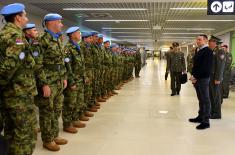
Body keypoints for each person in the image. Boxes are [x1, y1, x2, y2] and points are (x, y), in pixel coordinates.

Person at [0, 3, 38, 154]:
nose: (27, 18)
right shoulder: (16, 36)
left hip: (10, 93)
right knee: (25, 133)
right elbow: (8, 67)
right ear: (18, 18)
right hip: (19, 93)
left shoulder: (4, 33)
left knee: (10, 131)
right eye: (25, 15)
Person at [37, 13, 68, 151]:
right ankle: (47, 139)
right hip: (48, 81)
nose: (61, 25)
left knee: (56, 110)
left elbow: (62, 61)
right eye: (59, 22)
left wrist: (65, 77)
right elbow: (37, 64)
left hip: (59, 80)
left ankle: (54, 135)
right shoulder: (42, 40)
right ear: (52, 23)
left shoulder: (59, 39)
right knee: (47, 112)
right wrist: (44, 84)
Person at [62, 26, 86, 134]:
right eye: (78, 32)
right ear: (72, 35)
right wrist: (71, 82)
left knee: (78, 101)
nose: (80, 34)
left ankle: (75, 119)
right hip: (73, 80)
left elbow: (81, 65)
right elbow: (67, 67)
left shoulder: (77, 47)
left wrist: (84, 77)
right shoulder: (68, 48)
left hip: (79, 79)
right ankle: (67, 124)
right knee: (69, 103)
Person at [189, 34, 213, 130]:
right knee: (201, 99)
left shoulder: (208, 51)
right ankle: (200, 116)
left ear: (205, 41)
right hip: (197, 78)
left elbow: (205, 68)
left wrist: (195, 76)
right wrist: (193, 76)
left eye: (200, 40)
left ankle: (206, 121)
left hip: (203, 79)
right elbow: (196, 65)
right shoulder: (199, 50)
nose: (197, 41)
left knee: (205, 100)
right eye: (197, 40)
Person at [208, 36, 226, 119]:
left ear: (215, 43)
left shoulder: (220, 51)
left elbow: (220, 66)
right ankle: (212, 111)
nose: (209, 43)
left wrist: (218, 78)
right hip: (211, 77)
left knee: (216, 96)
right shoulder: (213, 51)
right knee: (211, 95)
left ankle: (217, 114)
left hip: (215, 78)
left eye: (210, 42)